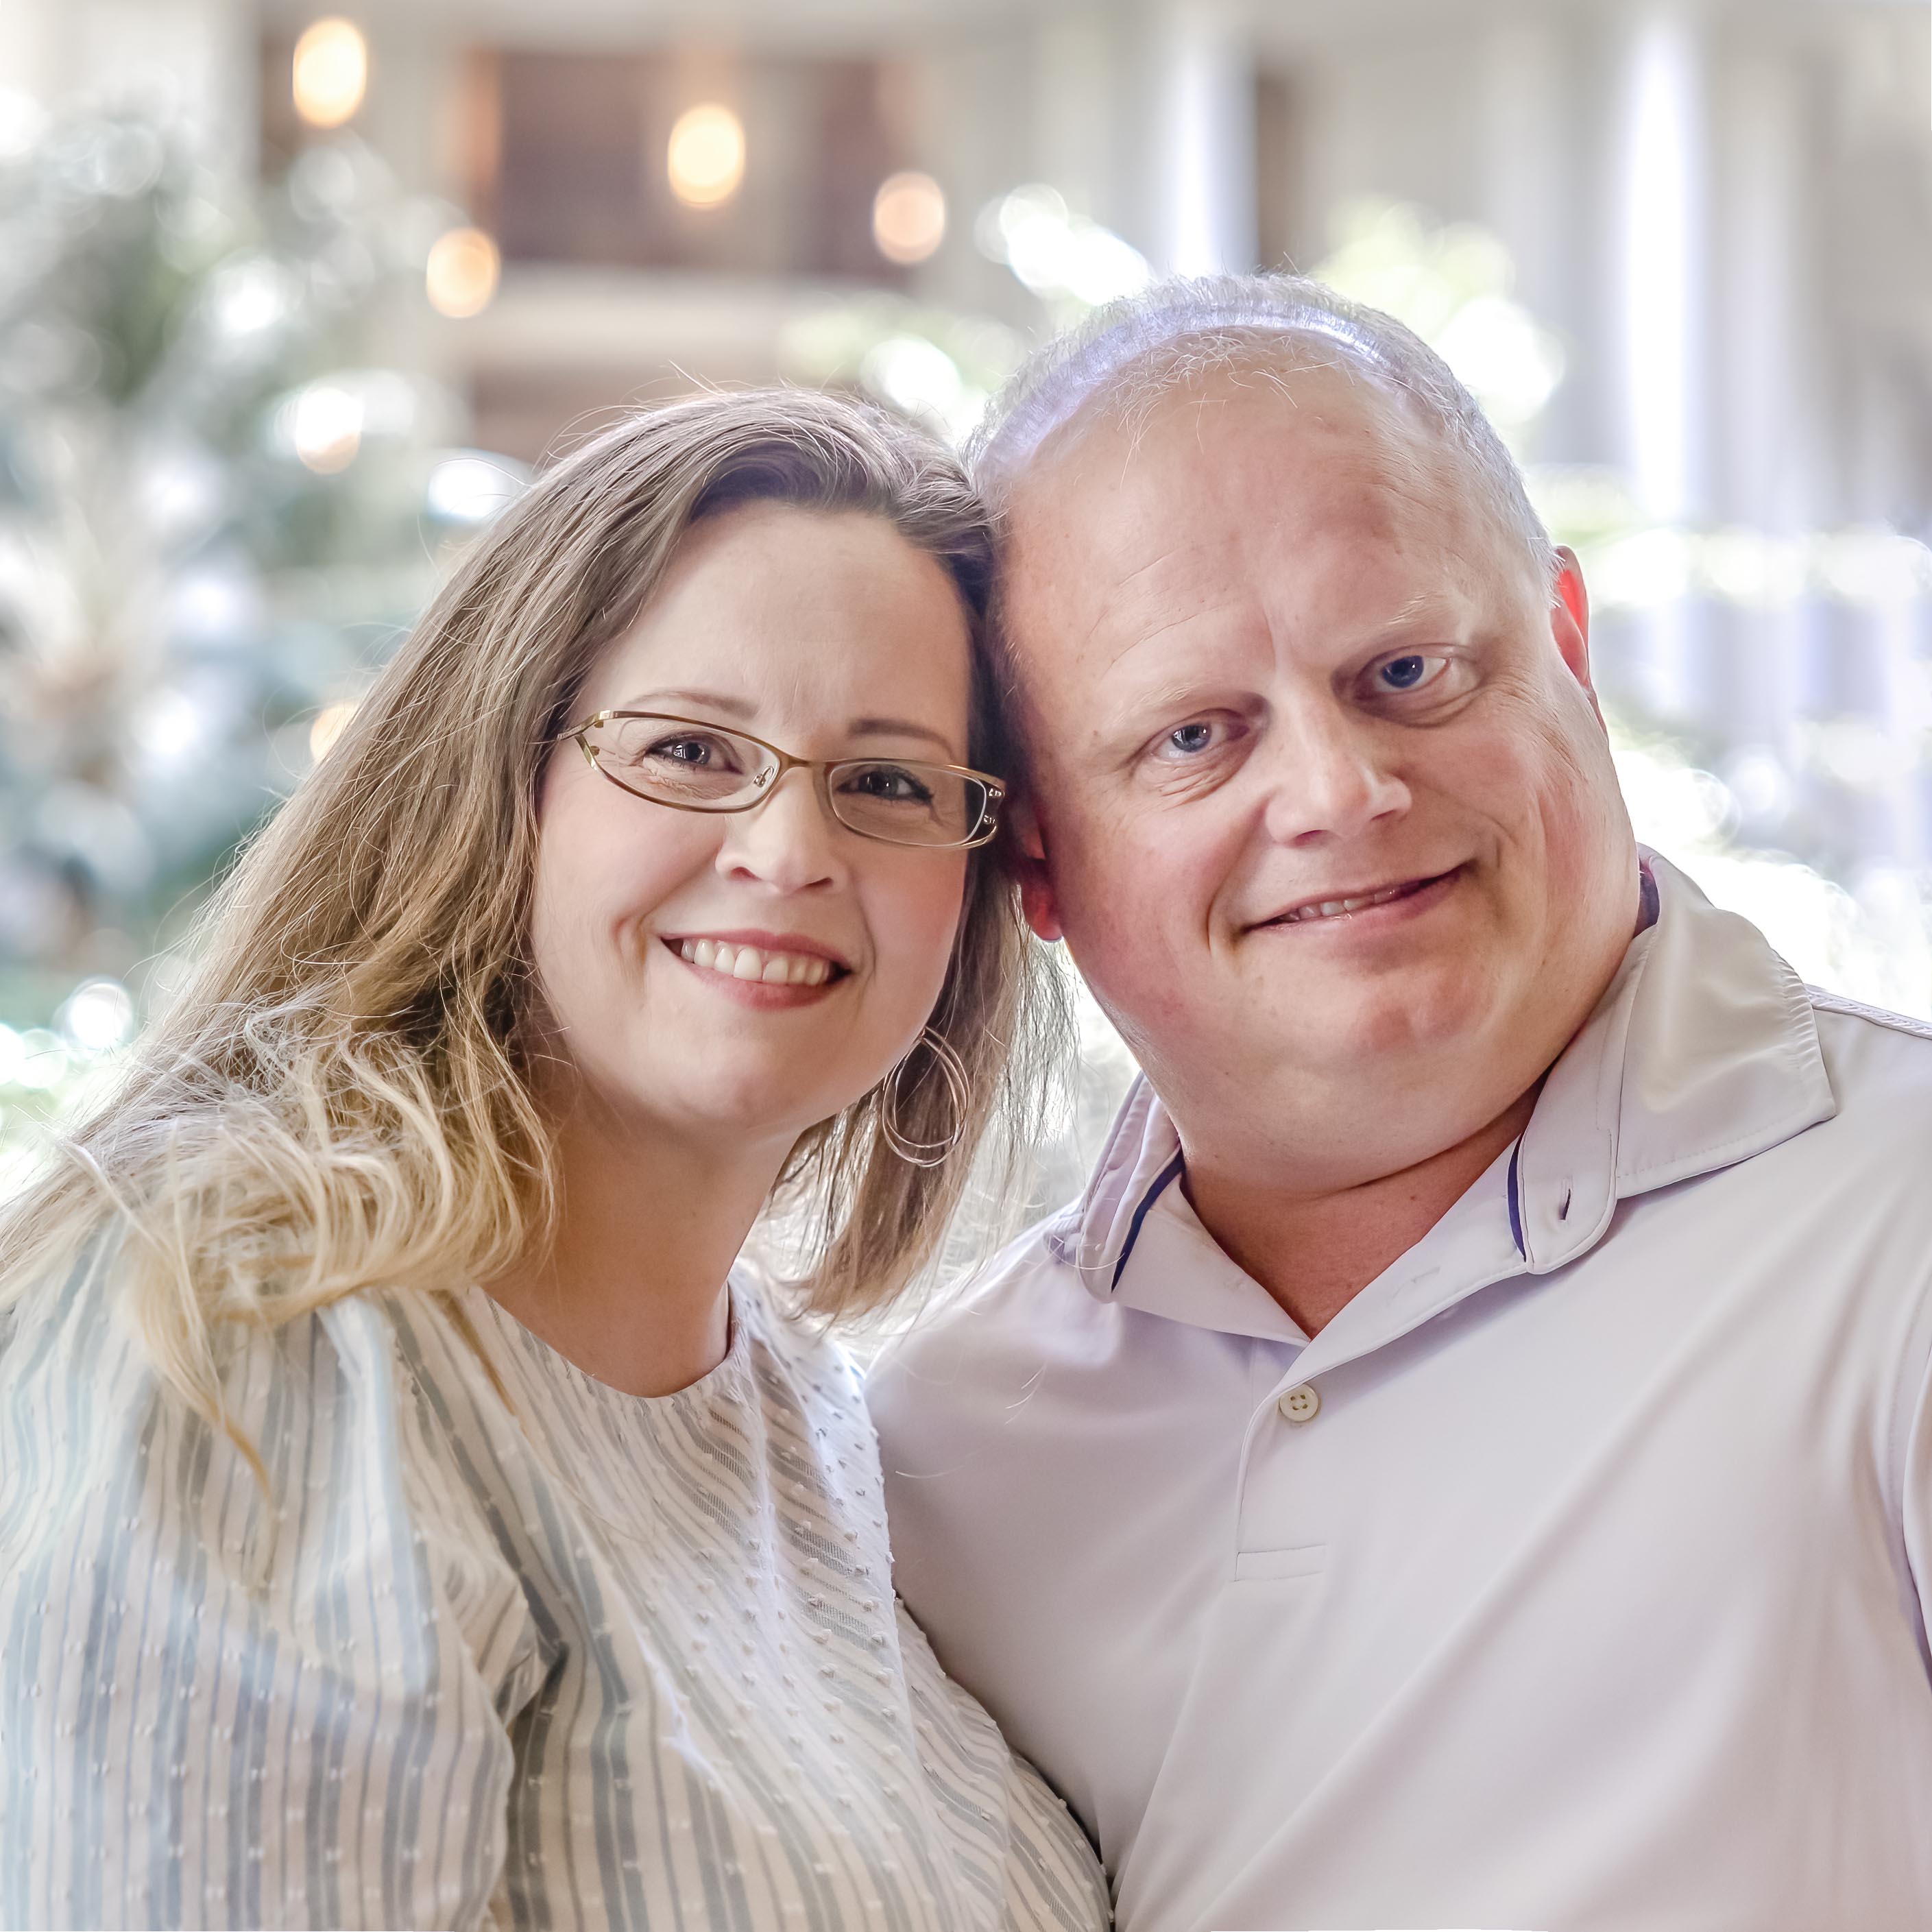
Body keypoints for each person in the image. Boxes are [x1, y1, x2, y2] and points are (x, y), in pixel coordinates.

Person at [868, 274, 1932, 1932]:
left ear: (1566, 653)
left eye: (1409, 668)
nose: (1339, 788)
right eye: (1196, 735)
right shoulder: (936, 1451)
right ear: (1040, 862)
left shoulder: (1898, 1225)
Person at [0, 389, 1108, 1932]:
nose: (789, 850)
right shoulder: (262, 1347)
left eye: (888, 780)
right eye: (688, 749)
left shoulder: (796, 1408)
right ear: (502, 779)